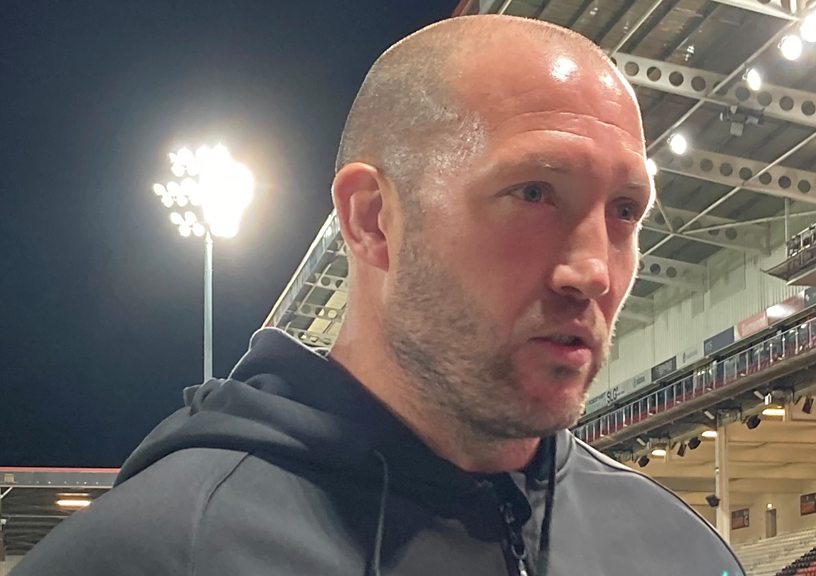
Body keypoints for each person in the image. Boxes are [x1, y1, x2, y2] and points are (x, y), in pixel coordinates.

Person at [13, 15, 743, 576]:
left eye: (624, 211)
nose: (595, 272)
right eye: (534, 193)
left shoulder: (677, 549)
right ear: (372, 220)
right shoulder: (161, 553)